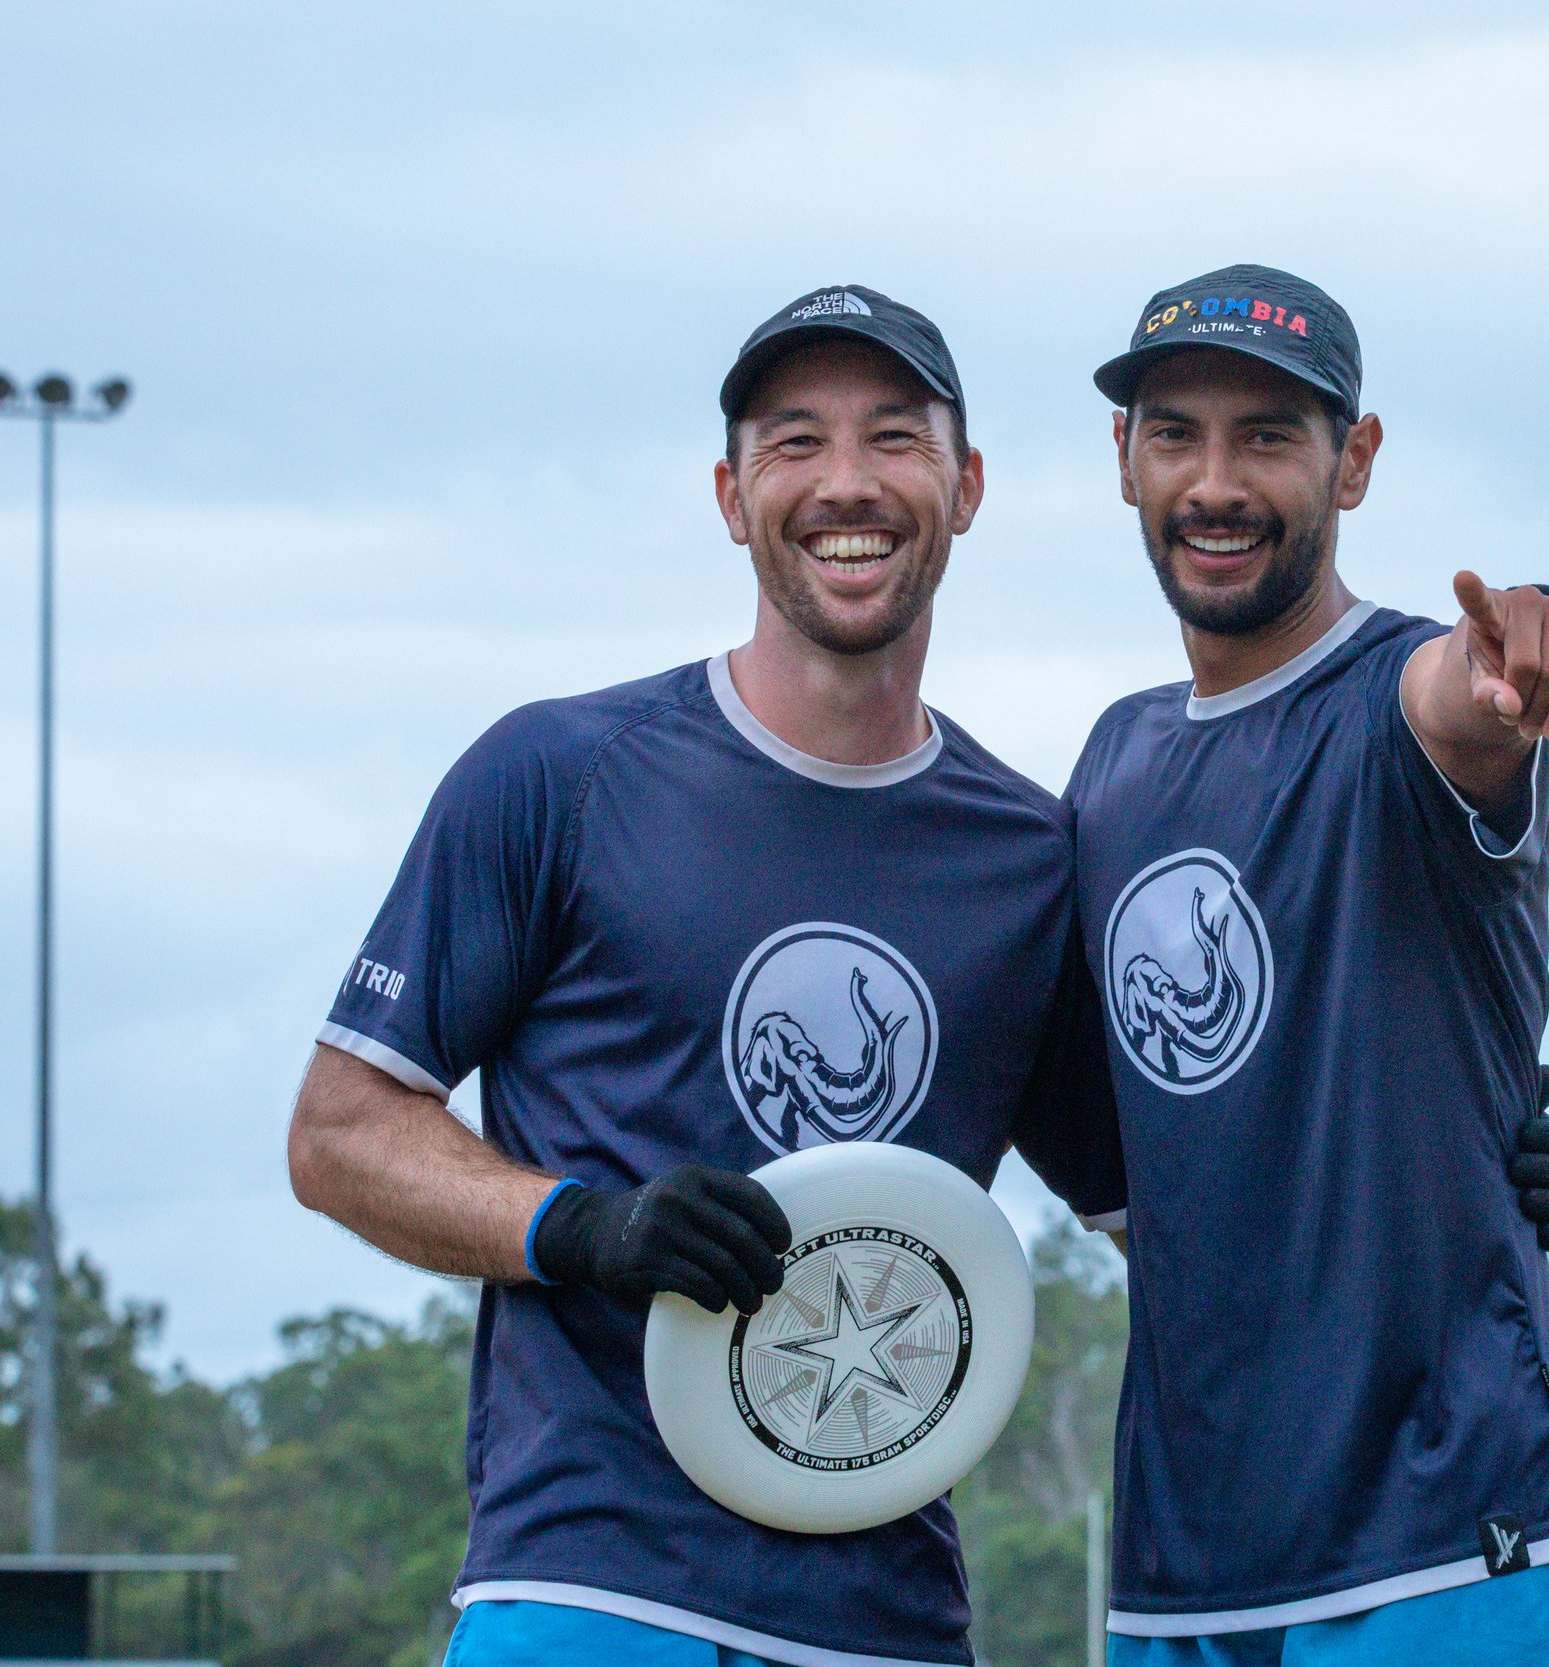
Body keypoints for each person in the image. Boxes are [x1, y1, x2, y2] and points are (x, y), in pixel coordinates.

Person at [287, 284, 1129, 1667]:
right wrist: (585, 1229)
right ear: (731, 497)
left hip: (889, 1620)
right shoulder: (557, 776)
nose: (845, 483)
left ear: (967, 485)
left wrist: (1459, 1154)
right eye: (793, 443)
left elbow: (1167, 1203)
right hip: (592, 1589)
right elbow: (339, 1137)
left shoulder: (1034, 855)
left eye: (894, 439)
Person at [1068, 265, 1549, 1666]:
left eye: (1268, 437)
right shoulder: (1114, 763)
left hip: (1447, 1544)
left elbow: (1472, 703)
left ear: (1352, 462)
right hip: (1188, 1569)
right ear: (1124, 461)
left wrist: (1524, 644)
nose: (1215, 482)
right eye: (1177, 434)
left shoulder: (1403, 701)